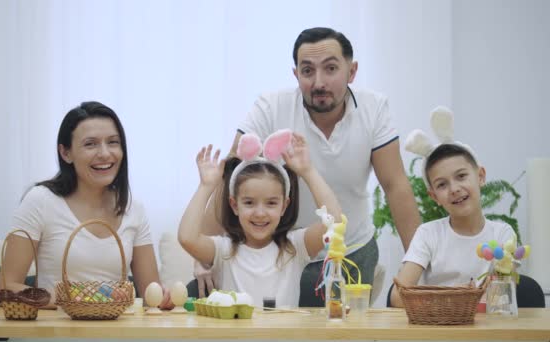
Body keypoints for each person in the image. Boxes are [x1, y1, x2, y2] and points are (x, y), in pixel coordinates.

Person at [195, 27, 420, 306]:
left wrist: (417, 263)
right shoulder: (271, 106)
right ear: (296, 75)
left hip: (349, 251)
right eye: (307, 71)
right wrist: (203, 257)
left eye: (331, 69)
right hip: (282, 253)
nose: (319, 82)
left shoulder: (375, 108)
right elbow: (229, 177)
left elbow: (395, 185)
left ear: (352, 71)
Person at [0, 101, 172, 309]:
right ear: (66, 153)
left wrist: (163, 298)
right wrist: (73, 301)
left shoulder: (133, 209)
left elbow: (151, 293)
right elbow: (5, 289)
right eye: (90, 144)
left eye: (113, 142)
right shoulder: (40, 201)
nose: (105, 153)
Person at [178, 131, 343, 307]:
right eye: (249, 203)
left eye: (271, 203)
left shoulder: (295, 247)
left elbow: (336, 223)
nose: (260, 213)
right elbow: (187, 238)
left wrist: (308, 171)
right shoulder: (223, 250)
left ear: (284, 206)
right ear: (234, 206)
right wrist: (206, 186)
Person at [389, 143, 515, 307]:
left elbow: (502, 298)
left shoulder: (503, 234)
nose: (454, 189)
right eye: (442, 184)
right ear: (434, 196)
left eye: (461, 176)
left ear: (481, 176)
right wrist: (452, 298)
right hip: (438, 329)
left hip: (487, 329)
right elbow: (398, 297)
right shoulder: (428, 233)